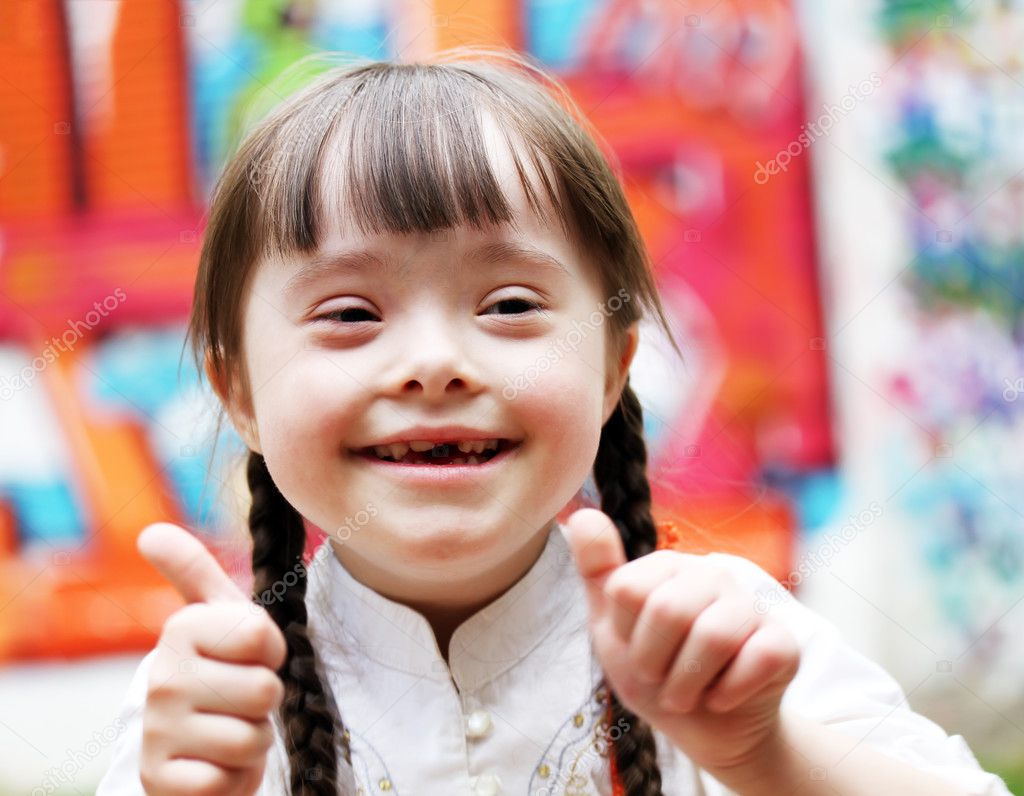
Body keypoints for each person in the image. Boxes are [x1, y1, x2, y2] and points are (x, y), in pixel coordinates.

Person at [96, 47, 1013, 795]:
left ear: (614, 365)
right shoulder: (213, 703)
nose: (433, 363)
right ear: (240, 391)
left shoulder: (724, 641)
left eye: (505, 303)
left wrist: (763, 754)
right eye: (350, 314)